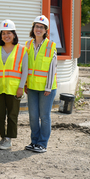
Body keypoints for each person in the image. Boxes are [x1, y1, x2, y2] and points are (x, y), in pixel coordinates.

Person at [0, 20, 27, 150]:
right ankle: (3, 137)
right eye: (3, 33)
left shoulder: (22, 50)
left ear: (14, 34)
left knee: (12, 115)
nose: (6, 35)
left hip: (14, 88)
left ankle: (9, 139)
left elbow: (25, 70)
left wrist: (21, 87)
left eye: (9, 33)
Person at [24, 15, 57, 153]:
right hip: (31, 87)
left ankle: (42, 143)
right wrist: (25, 84)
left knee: (44, 116)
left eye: (41, 27)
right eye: (36, 26)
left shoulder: (51, 45)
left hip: (46, 89)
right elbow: (25, 66)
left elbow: (52, 67)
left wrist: (48, 87)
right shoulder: (27, 45)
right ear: (33, 28)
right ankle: (34, 141)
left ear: (46, 30)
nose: (38, 29)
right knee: (32, 116)